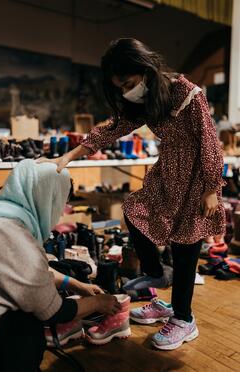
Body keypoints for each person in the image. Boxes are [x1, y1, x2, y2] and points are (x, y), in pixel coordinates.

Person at [38, 38, 226, 350]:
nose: (127, 91)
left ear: (145, 69)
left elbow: (210, 143)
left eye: (128, 83)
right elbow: (111, 128)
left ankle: (183, 319)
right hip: (167, 175)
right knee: (133, 209)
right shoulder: (146, 99)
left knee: (184, 253)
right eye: (120, 87)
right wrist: (66, 158)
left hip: (195, 181)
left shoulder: (186, 92)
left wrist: (211, 189)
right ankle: (154, 274)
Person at [0, 159, 120, 372]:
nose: (61, 212)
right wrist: (98, 303)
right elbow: (52, 311)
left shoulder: (2, 214)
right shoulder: (12, 234)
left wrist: (77, 285)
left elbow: (27, 270)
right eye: (61, 202)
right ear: (46, 197)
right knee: (29, 327)